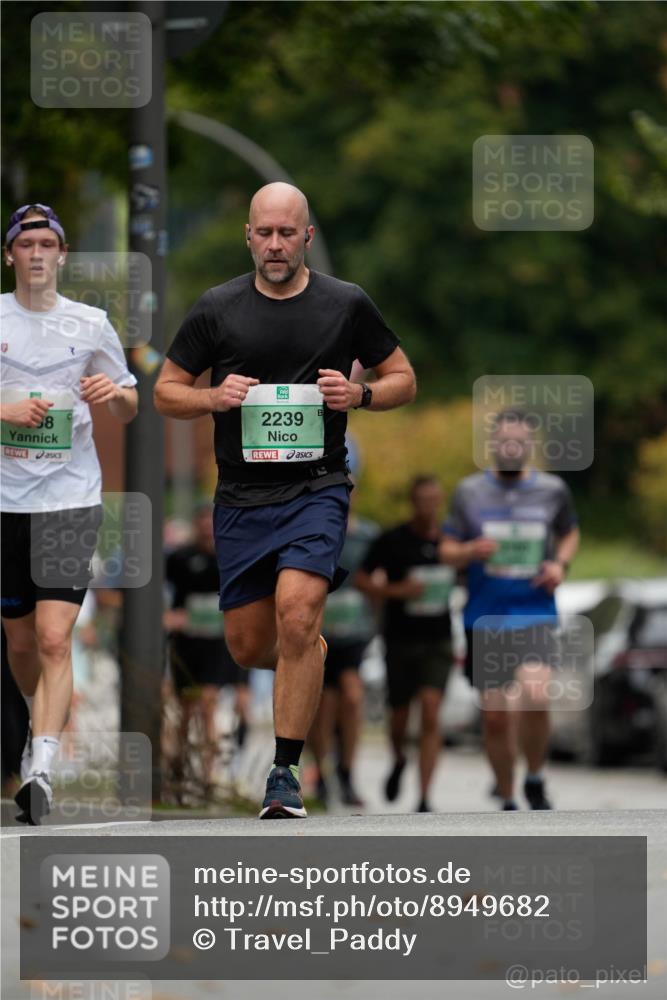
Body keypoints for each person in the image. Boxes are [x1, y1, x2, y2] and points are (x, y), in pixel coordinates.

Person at [154, 182, 416, 818]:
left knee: (298, 615)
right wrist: (214, 398)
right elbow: (166, 391)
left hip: (317, 489)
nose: (275, 244)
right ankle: (307, 656)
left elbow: (403, 378)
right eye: (264, 233)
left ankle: (284, 773)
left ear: (308, 237)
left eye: (286, 233)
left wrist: (360, 398)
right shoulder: (217, 309)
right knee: (249, 645)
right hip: (242, 498)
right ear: (248, 236)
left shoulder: (345, 304)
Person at [1, 203, 138, 824]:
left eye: (46, 243)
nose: (35, 253)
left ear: (60, 256)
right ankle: (36, 725)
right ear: (11, 255)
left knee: (56, 638)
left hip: (70, 499)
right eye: (25, 243)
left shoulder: (91, 322)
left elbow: (131, 401)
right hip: (6, 500)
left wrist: (116, 396)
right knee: (22, 642)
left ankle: (42, 766)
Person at [440, 410, 580, 811]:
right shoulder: (469, 493)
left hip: (534, 611)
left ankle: (534, 777)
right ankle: (506, 794)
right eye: (505, 441)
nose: (511, 448)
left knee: (536, 694)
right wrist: (469, 551)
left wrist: (560, 565)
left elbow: (569, 531)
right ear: (493, 445)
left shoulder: (553, 490)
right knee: (497, 716)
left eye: (519, 441)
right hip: (485, 617)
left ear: (530, 446)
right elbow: (446, 551)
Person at [355, 476, 455, 812]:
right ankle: (398, 758)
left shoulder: (450, 541)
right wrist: (396, 592)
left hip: (439, 638)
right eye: (422, 499)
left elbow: (469, 571)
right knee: (399, 718)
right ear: (413, 502)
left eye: (434, 499)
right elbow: (361, 579)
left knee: (430, 712)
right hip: (400, 638)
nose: (428, 505)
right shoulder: (392, 540)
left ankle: (425, 796)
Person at [164, 503, 250, 792]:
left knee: (209, 701)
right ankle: (178, 765)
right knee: (186, 708)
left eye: (211, 522)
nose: (206, 528)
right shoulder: (180, 558)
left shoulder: (233, 557)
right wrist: (168, 616)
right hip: (187, 645)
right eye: (202, 522)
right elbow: (157, 592)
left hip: (218, 644)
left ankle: (208, 774)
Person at [308, 497, 380, 807]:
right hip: (317, 628)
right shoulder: (311, 529)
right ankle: (323, 774)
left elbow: (381, 577)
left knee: (352, 696)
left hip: (354, 630)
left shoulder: (368, 535)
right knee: (323, 704)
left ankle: (347, 772)